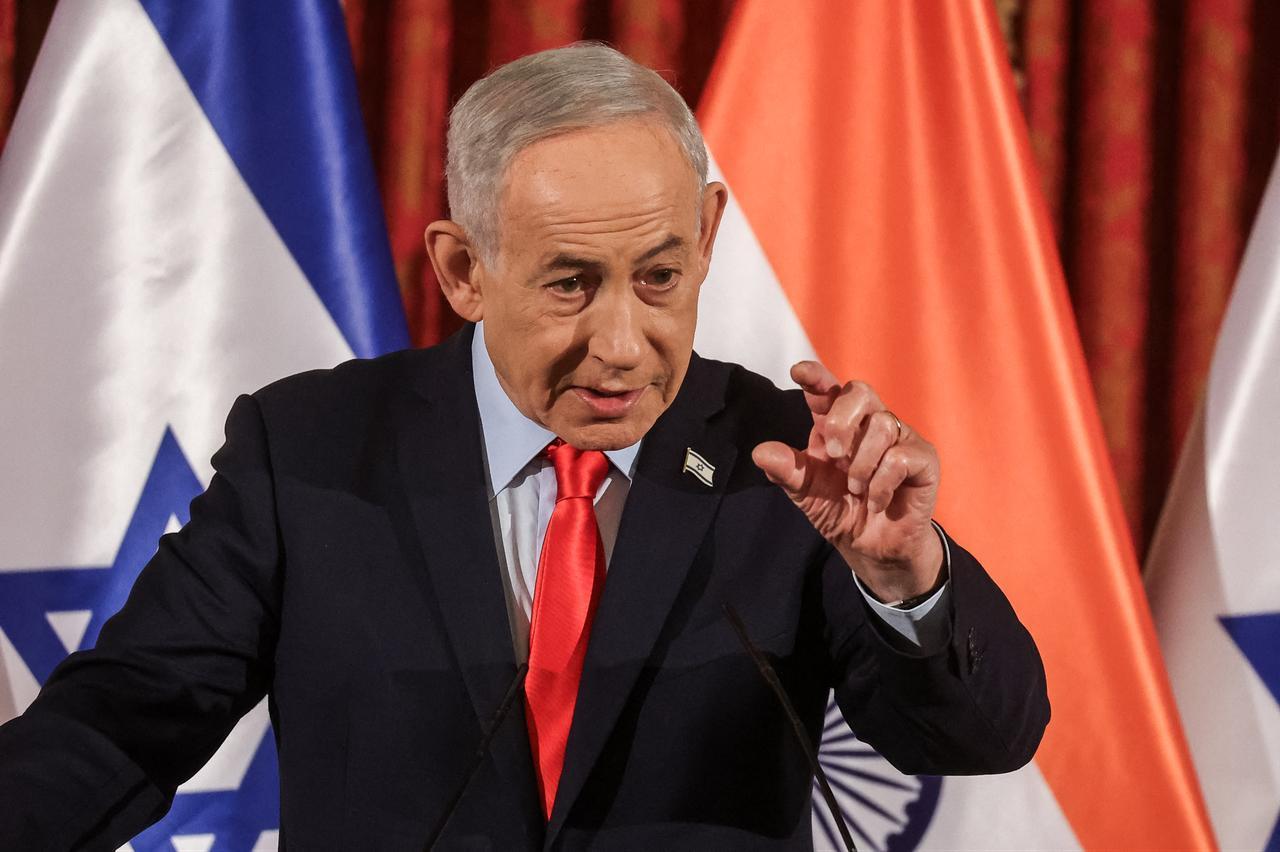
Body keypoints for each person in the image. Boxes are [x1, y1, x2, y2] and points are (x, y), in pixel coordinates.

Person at [0, 43, 1048, 849]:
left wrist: (908, 579)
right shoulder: (310, 452)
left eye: (658, 276)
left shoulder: (791, 464)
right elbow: (124, 724)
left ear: (708, 235)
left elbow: (981, 739)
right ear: (463, 272)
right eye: (567, 284)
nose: (622, 345)